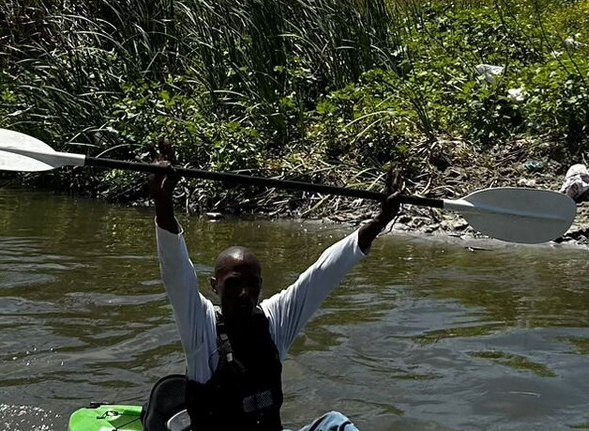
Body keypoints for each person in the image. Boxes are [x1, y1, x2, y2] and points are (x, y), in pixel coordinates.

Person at [149, 156, 401, 431]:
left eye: (252, 284)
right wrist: (163, 203)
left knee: (336, 424)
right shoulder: (201, 329)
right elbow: (176, 274)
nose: (245, 293)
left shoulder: (274, 320)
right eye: (234, 283)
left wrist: (380, 221)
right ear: (214, 286)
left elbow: (325, 272)